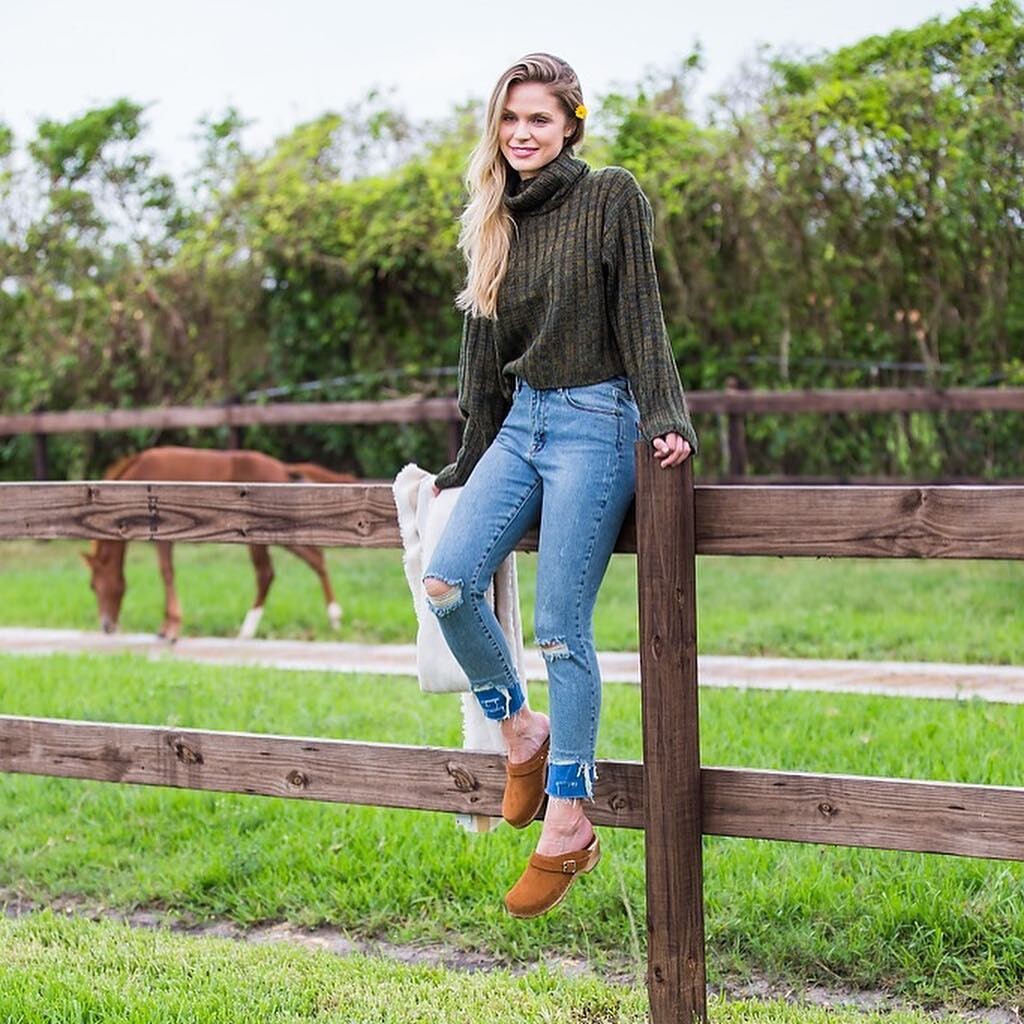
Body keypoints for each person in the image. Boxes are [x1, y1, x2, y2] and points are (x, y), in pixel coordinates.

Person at [421, 52, 698, 919]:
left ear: (572, 123)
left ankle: (570, 815)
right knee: (447, 581)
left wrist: (666, 412)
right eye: (509, 119)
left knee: (560, 629)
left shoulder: (611, 196)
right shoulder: (494, 215)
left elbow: (640, 313)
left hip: (596, 421)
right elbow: (481, 359)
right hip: (523, 423)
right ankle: (520, 728)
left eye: (539, 118)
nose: (522, 134)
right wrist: (470, 456)